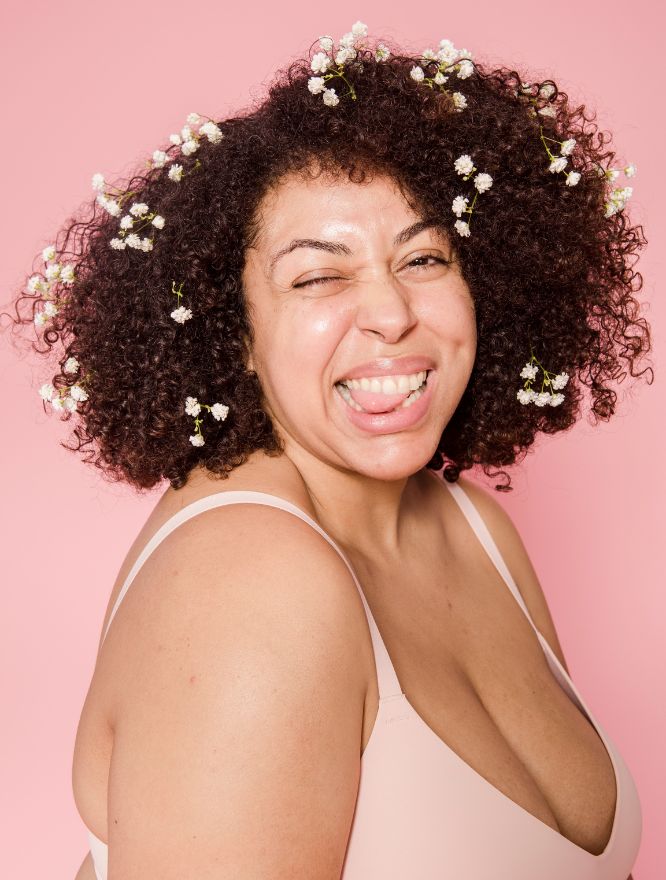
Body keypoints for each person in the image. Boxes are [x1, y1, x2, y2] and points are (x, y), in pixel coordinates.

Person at [6, 21, 651, 880]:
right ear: (233, 331)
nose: (391, 314)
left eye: (424, 257)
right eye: (319, 275)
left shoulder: (476, 530)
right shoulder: (252, 583)